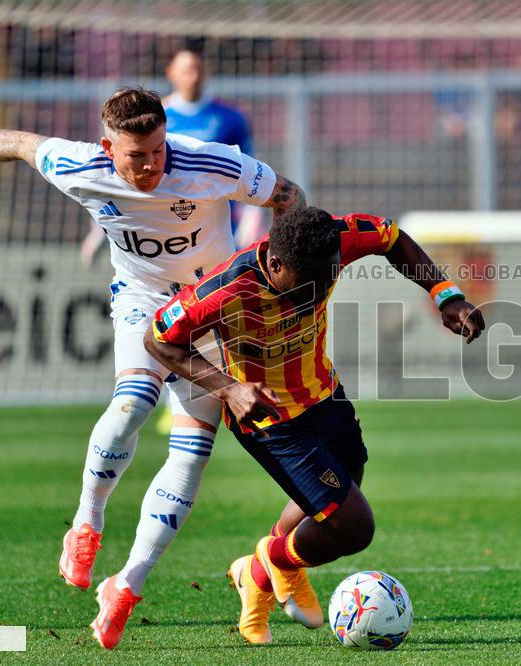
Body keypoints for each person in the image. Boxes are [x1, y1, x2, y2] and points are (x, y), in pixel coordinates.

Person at [0, 86, 307, 650]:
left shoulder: (211, 162)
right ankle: (87, 522)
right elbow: (21, 144)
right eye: (135, 155)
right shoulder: (80, 164)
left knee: (192, 453)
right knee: (131, 406)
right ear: (108, 147)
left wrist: (267, 272)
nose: (150, 165)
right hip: (143, 303)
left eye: (157, 150)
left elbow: (290, 196)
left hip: (213, 307)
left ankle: (126, 586)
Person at [143, 206, 485, 644]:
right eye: (309, 283)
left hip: (325, 394)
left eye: (328, 278)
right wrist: (228, 388)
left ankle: (259, 574)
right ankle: (274, 559)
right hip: (271, 421)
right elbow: (157, 339)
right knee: (354, 527)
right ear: (277, 265)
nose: (319, 290)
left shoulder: (335, 241)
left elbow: (392, 238)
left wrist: (445, 294)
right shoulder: (224, 290)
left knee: (343, 489)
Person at [80, 49, 263, 266]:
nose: (193, 77)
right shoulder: (155, 116)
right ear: (171, 73)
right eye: (186, 71)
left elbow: (248, 167)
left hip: (217, 220)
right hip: (161, 218)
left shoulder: (231, 117)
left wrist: (252, 214)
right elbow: (117, 166)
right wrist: (100, 228)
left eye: (197, 70)